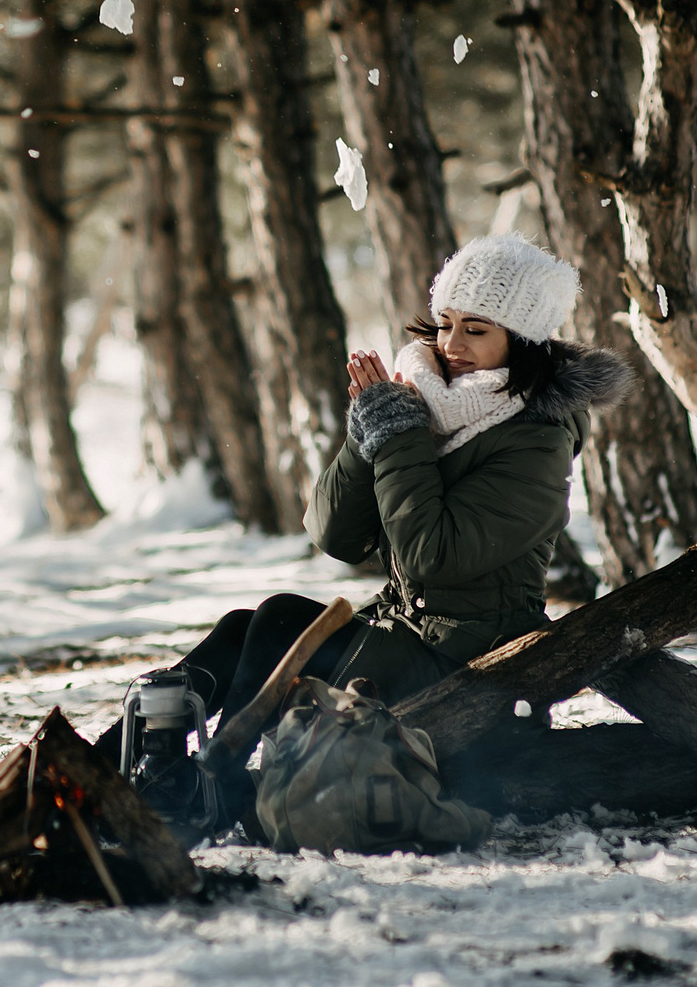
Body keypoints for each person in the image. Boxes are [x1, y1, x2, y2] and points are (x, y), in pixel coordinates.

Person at [112, 232, 632, 790]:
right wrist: (369, 435)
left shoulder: (537, 441)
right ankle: (119, 761)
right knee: (250, 627)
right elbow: (336, 536)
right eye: (446, 322)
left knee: (278, 623)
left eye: (476, 330)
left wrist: (397, 437)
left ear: (523, 342)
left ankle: (217, 780)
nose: (452, 343)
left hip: (473, 670)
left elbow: (433, 557)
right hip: (408, 637)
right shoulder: (431, 405)